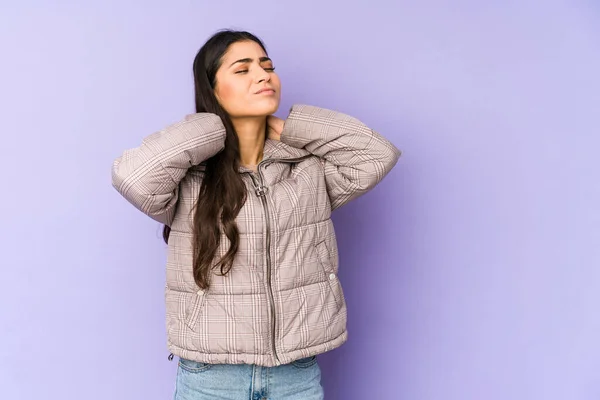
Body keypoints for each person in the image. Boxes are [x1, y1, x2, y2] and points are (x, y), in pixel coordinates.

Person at [111, 29, 401, 400]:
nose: (263, 75)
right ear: (213, 89)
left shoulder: (307, 170)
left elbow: (377, 154)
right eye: (242, 69)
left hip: (294, 372)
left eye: (267, 66)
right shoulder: (189, 180)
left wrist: (291, 128)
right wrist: (214, 125)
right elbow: (132, 175)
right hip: (211, 376)